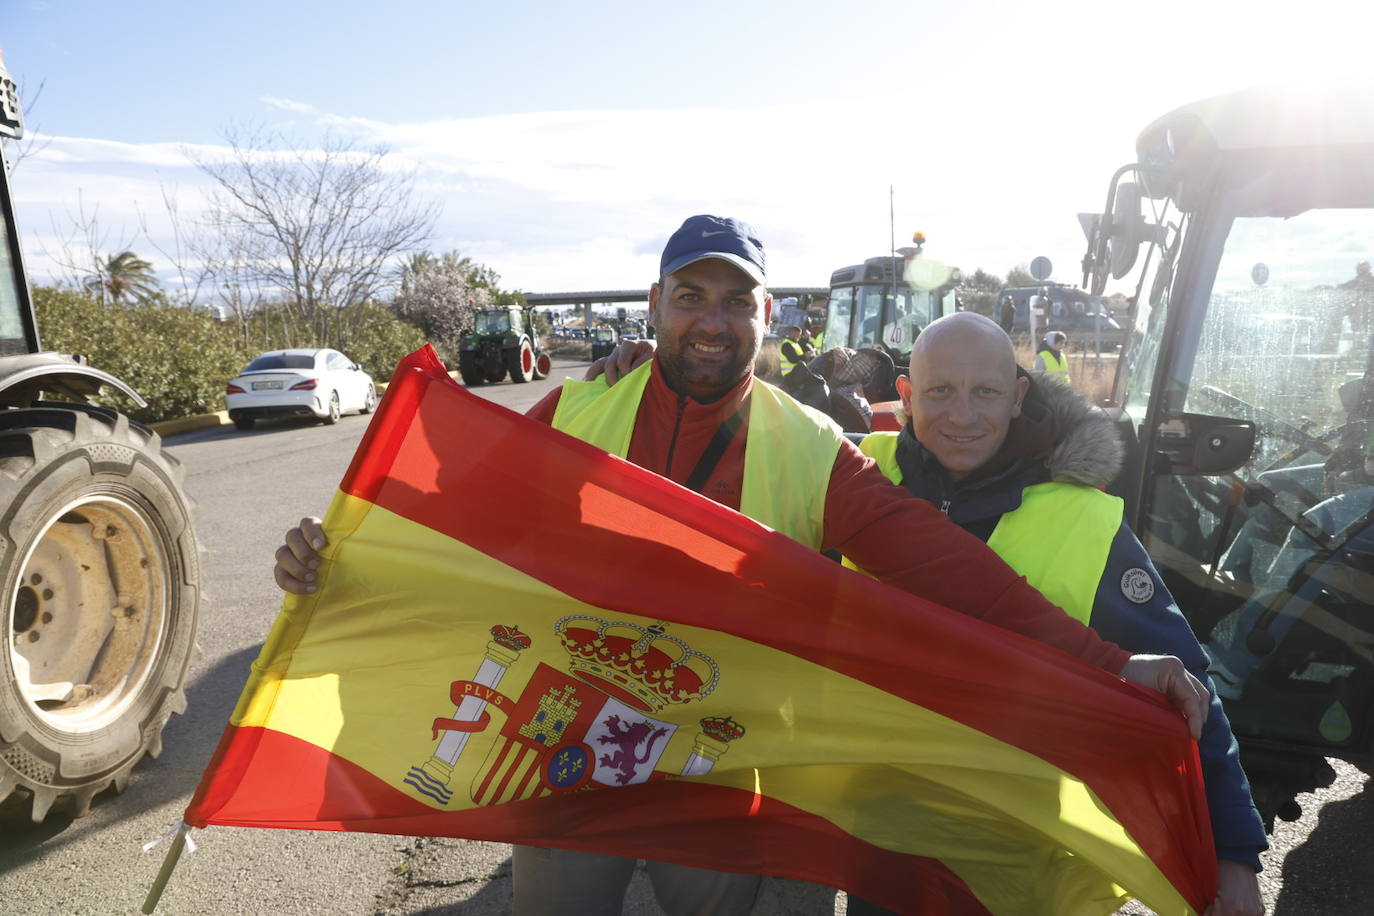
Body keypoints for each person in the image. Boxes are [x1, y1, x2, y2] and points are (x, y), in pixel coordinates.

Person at [275, 215, 1211, 916]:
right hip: (563, 755)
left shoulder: (811, 447)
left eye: (734, 301)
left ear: (767, 316)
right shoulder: (574, 415)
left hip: (724, 761)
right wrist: (336, 559)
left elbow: (947, 571)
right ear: (654, 307)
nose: (711, 322)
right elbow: (446, 525)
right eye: (690, 297)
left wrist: (1109, 666)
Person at [843, 312, 1266, 916]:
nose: (963, 415)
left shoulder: (1084, 522)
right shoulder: (856, 477)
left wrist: (1234, 855)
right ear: (905, 395)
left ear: (1018, 397)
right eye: (940, 391)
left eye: (985, 392)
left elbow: (1186, 692)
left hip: (1021, 860)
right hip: (885, 844)